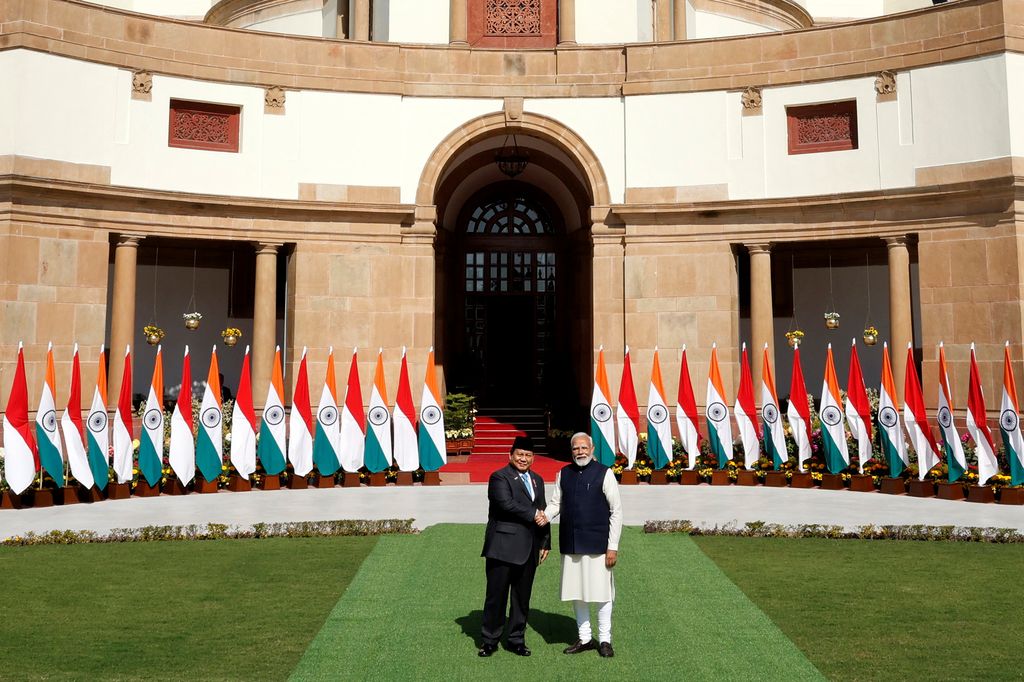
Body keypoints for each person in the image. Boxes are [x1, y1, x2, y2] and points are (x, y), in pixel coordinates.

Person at [536, 432, 623, 658]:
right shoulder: (563, 473)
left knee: (603, 593)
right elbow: (556, 503)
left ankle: (605, 640)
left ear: (592, 449)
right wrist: (544, 516)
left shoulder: (605, 473)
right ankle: (585, 638)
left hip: (598, 544)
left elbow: (616, 511)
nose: (580, 452)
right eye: (576, 448)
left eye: (584, 448)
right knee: (577, 592)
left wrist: (612, 546)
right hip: (571, 543)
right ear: (571, 451)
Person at [479, 435, 551, 657]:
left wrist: (546, 541)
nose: (523, 459)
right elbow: (505, 504)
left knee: (522, 598)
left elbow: (543, 510)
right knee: (496, 596)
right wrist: (534, 514)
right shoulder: (499, 477)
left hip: (530, 548)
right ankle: (490, 640)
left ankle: (516, 639)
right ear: (510, 455)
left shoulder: (537, 479)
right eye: (520, 454)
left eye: (528, 455)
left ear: (533, 458)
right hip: (502, 546)